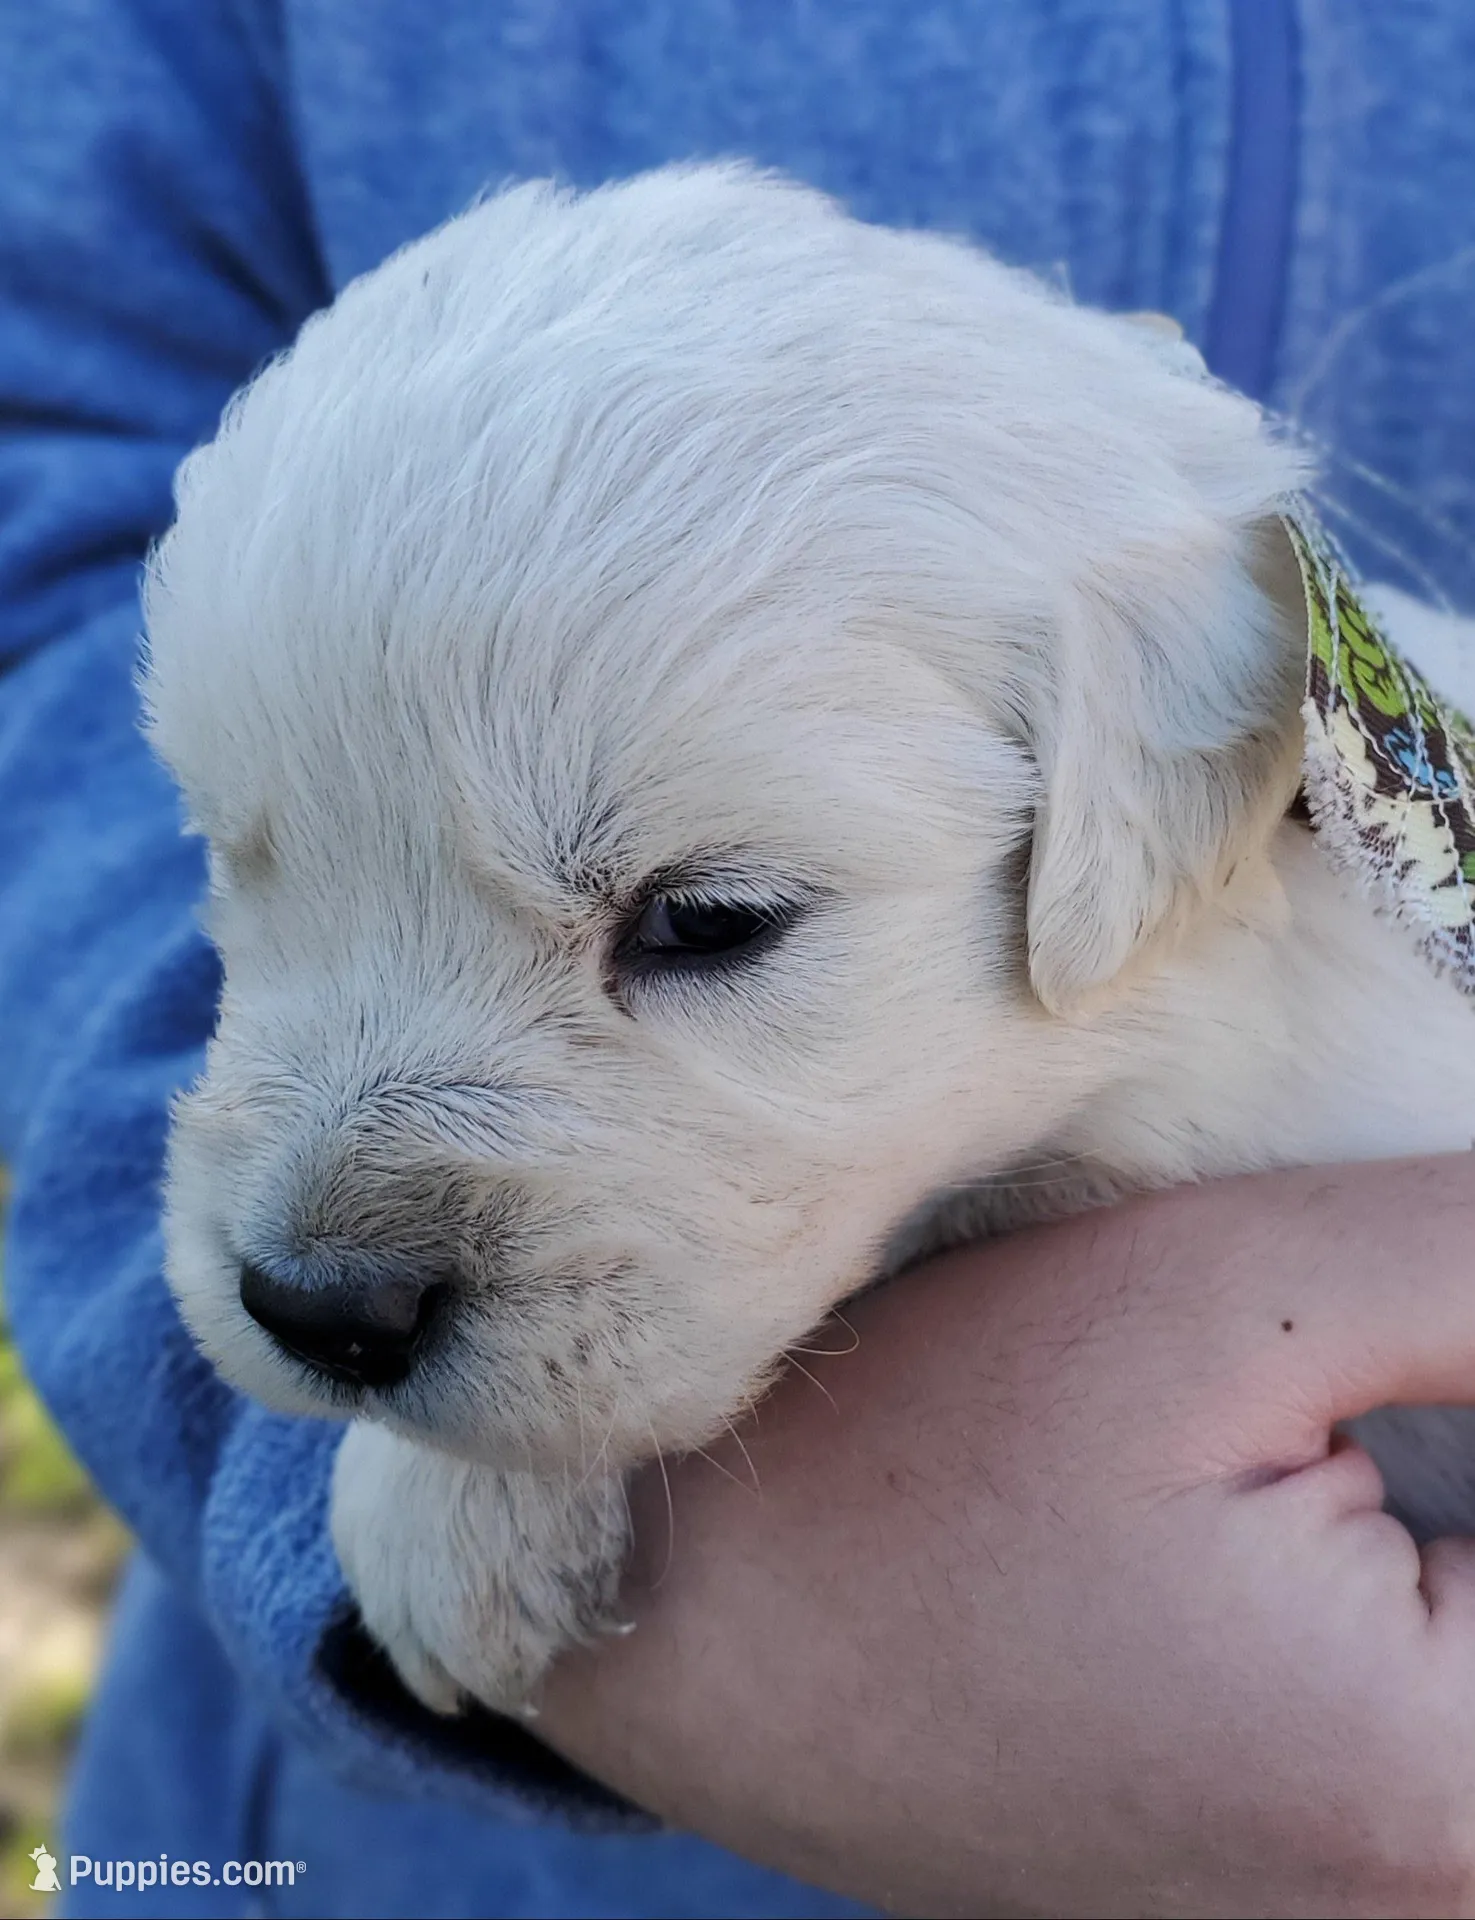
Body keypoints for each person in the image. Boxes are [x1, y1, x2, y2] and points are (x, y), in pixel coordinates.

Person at [3, 2, 1475, 1914]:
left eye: (696, 924)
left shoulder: (1247, 763)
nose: (326, 1230)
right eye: (246, 842)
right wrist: (630, 1594)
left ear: (1158, 796)